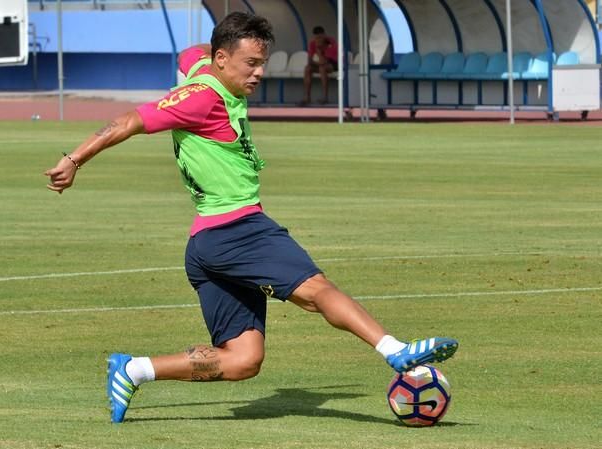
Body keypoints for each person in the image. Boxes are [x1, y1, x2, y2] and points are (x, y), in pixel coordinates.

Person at [44, 12, 458, 424]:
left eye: (263, 63)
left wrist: (232, 43)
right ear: (223, 60)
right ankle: (394, 349)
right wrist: (73, 159)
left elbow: (192, 54)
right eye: (251, 64)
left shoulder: (206, 65)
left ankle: (133, 369)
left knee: (243, 361)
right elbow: (128, 121)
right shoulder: (200, 98)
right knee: (315, 289)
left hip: (207, 245)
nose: (259, 74)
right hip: (237, 230)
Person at [300, 26, 339, 106]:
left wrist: (318, 51)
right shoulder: (312, 43)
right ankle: (307, 97)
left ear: (324, 35)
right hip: (322, 64)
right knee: (307, 68)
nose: (318, 40)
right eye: (316, 38)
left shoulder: (331, 42)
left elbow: (325, 61)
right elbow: (310, 61)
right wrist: (316, 61)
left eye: (320, 37)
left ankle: (325, 97)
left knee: (322, 68)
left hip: (335, 64)